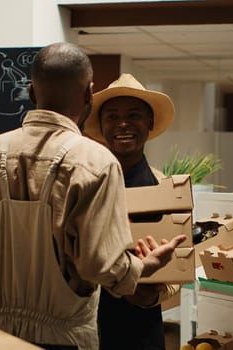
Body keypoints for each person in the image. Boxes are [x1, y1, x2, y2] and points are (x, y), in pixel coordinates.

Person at [0, 43, 186, 350]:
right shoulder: (95, 162)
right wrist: (142, 268)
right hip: (65, 338)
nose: (123, 124)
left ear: (32, 93)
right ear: (89, 95)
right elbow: (100, 266)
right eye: (113, 116)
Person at [84, 73, 179, 350]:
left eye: (134, 115)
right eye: (112, 116)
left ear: (149, 123)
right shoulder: (85, 185)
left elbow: (179, 271)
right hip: (88, 325)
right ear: (102, 126)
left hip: (141, 329)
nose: (123, 124)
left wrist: (149, 296)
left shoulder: (165, 190)